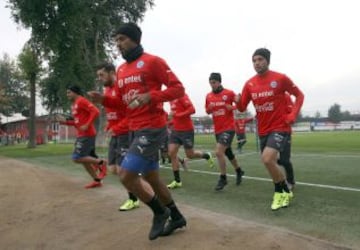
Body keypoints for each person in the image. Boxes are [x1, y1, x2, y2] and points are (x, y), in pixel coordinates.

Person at [88, 22, 186, 240]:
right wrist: (103, 99)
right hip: (134, 128)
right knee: (152, 178)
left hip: (152, 128)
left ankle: (160, 212)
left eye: (122, 39)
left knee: (126, 175)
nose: (118, 45)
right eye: (116, 41)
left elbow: (178, 89)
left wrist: (152, 96)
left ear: (135, 39)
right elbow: (124, 104)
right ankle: (177, 216)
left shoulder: (153, 62)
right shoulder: (121, 70)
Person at [235, 48, 304, 211]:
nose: (257, 63)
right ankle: (284, 191)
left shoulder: (280, 78)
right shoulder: (249, 84)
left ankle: (278, 193)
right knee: (269, 162)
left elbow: (299, 95)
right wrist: (237, 102)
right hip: (263, 129)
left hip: (280, 127)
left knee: (267, 159)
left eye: (260, 59)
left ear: (267, 61)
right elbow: (242, 106)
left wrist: (292, 114)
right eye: (254, 60)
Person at [95, 62, 140, 211]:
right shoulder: (106, 90)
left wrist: (117, 128)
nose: (100, 78)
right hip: (115, 133)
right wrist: (109, 127)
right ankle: (136, 182)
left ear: (112, 73)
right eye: (98, 76)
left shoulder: (121, 88)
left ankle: (133, 199)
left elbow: (130, 114)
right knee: (113, 169)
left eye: (102, 75)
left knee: (122, 171)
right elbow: (111, 113)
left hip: (125, 133)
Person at [59, 85, 107, 188]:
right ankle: (97, 180)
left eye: (69, 92)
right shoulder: (75, 105)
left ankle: (102, 163)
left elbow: (96, 111)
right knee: (84, 161)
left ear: (75, 92)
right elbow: (77, 122)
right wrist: (65, 123)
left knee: (77, 158)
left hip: (87, 134)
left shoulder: (81, 101)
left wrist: (87, 125)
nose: (67, 95)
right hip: (81, 135)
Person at [205, 72, 245, 191]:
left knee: (218, 152)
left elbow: (240, 106)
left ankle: (223, 178)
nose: (212, 85)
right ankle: (239, 171)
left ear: (219, 82)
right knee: (228, 153)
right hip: (218, 130)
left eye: (214, 82)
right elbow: (207, 111)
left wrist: (233, 106)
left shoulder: (228, 93)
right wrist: (210, 108)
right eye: (210, 83)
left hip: (229, 128)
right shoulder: (208, 96)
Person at [167, 93, 215, 189]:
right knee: (171, 153)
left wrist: (177, 115)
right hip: (176, 130)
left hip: (186, 130)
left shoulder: (182, 95)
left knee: (190, 155)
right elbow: (174, 114)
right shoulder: (170, 99)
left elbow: (192, 110)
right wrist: (171, 117)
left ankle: (206, 155)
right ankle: (177, 181)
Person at [277, 92, 296, 190]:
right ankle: (279, 180)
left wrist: (287, 120)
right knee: (268, 158)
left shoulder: (286, 96)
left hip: (284, 132)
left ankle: (290, 181)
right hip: (271, 132)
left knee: (284, 160)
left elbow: (292, 113)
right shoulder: (269, 95)